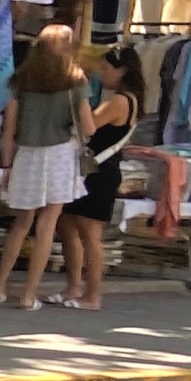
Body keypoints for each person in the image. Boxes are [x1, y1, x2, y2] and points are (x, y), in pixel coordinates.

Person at [0, 23, 94, 310]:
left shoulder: (21, 79)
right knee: (47, 225)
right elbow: (88, 126)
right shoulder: (75, 81)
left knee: (21, 223)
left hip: (27, 154)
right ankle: (28, 294)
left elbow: (8, 129)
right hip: (60, 154)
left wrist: (7, 164)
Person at [56, 44, 145, 310]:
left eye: (107, 68)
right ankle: (73, 287)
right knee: (68, 226)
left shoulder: (121, 101)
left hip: (100, 172)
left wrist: (80, 97)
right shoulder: (122, 98)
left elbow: (89, 125)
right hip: (91, 170)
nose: (102, 73)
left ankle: (92, 294)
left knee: (90, 233)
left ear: (122, 71)